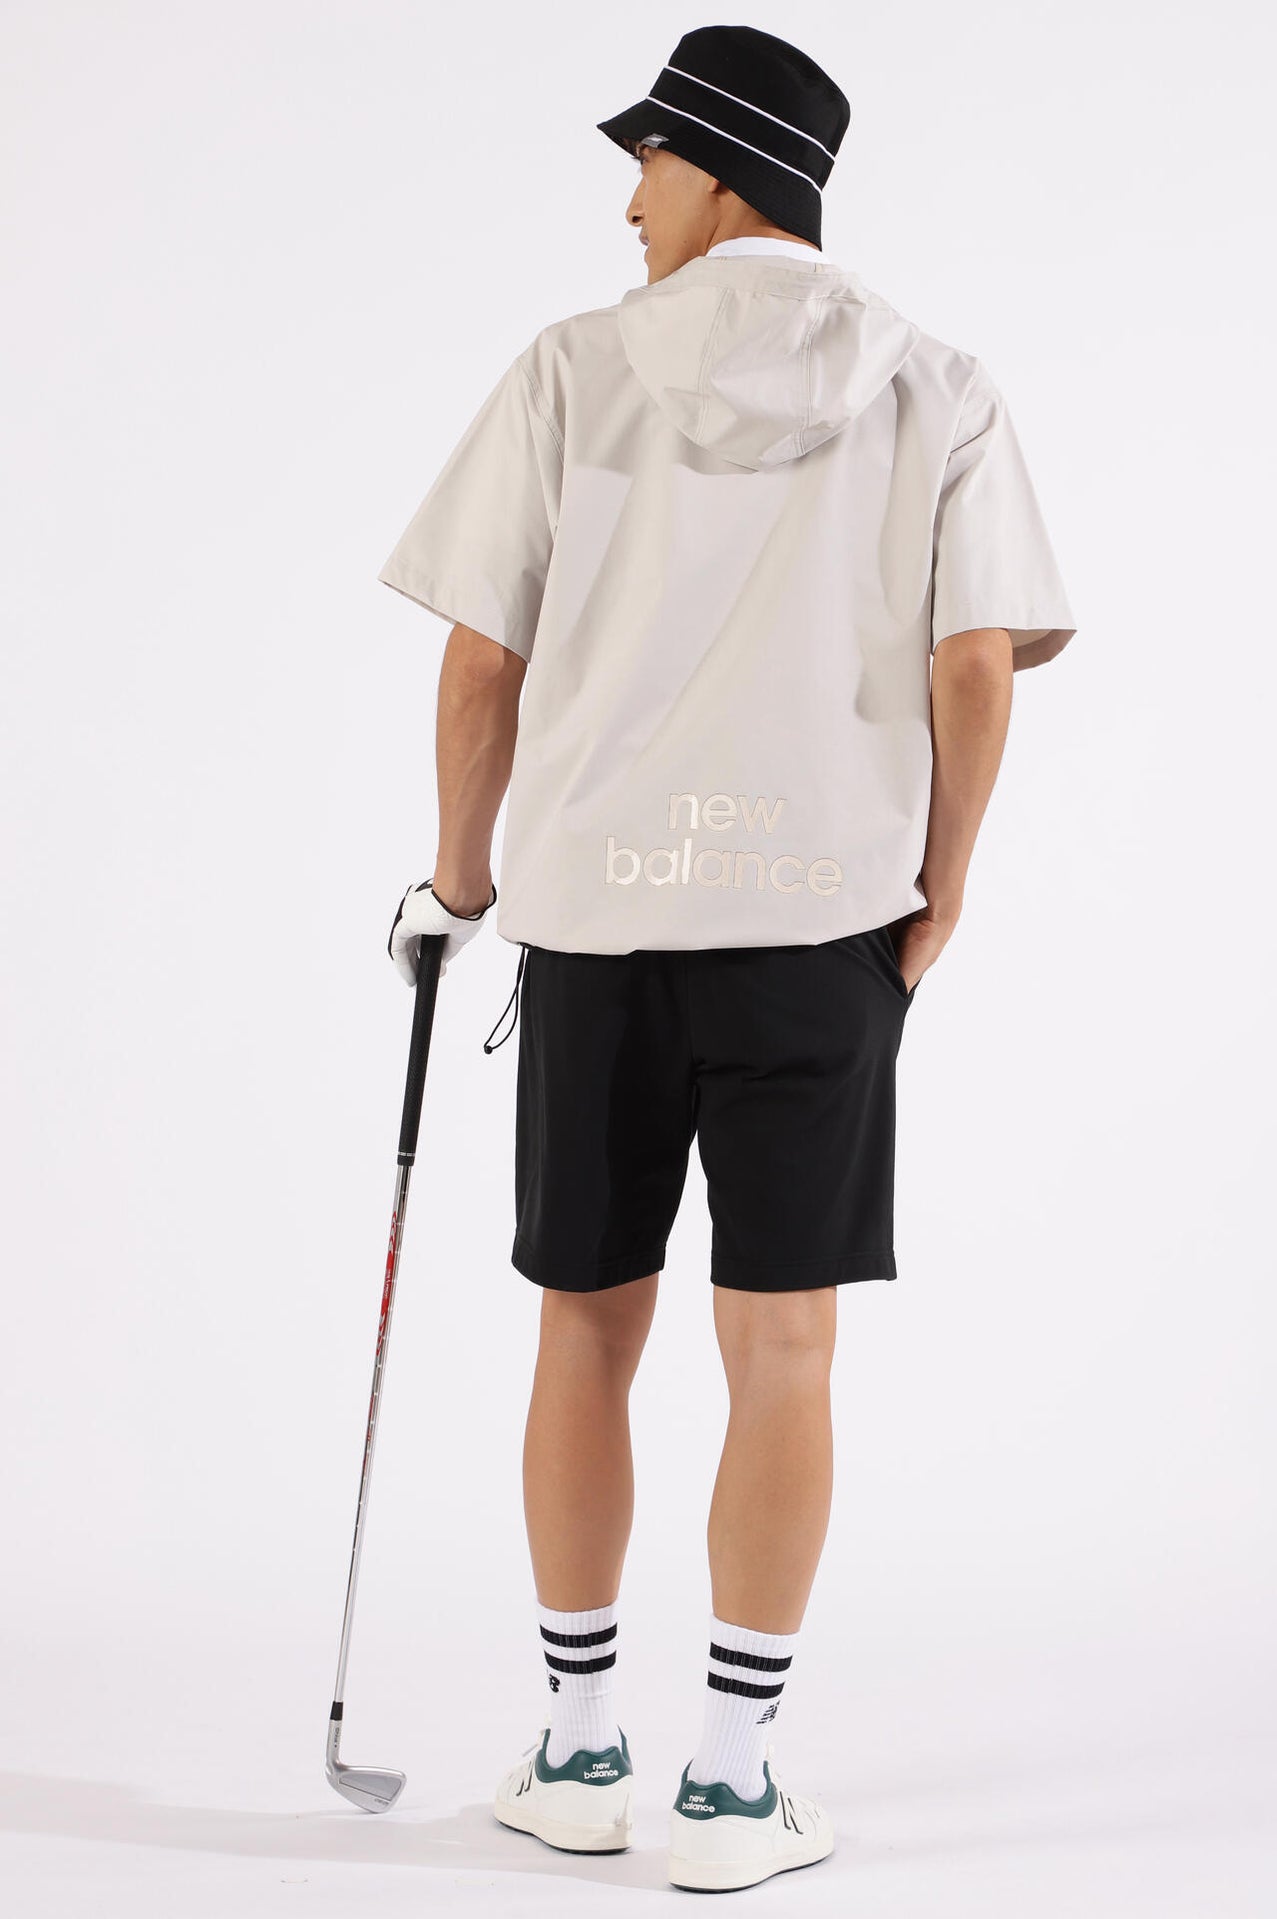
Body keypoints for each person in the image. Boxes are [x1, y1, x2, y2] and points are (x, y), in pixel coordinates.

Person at [377, 22, 1076, 1894]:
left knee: (585, 1326)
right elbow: (975, 664)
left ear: (720, 169)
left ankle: (579, 1747)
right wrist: (937, 895)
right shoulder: (936, 383)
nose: (628, 203)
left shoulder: (571, 367)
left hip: (599, 928)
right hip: (818, 933)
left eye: (648, 164)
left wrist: (456, 887)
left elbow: (480, 663)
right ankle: (731, 1782)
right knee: (783, 1347)